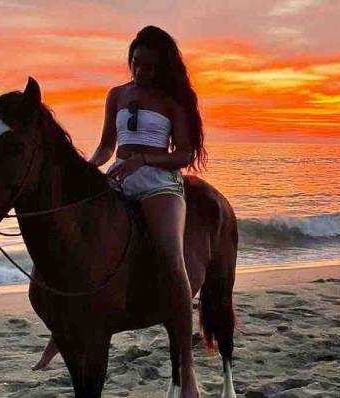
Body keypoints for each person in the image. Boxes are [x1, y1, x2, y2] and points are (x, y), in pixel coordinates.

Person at [32, 25, 208, 398]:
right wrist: (84, 172)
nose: (141, 71)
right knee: (74, 240)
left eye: (149, 66)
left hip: (160, 183)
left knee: (168, 252)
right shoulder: (116, 95)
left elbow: (185, 154)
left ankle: (187, 372)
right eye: (136, 63)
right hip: (118, 177)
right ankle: (60, 325)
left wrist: (143, 159)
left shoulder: (172, 100)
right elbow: (105, 147)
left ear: (163, 66)